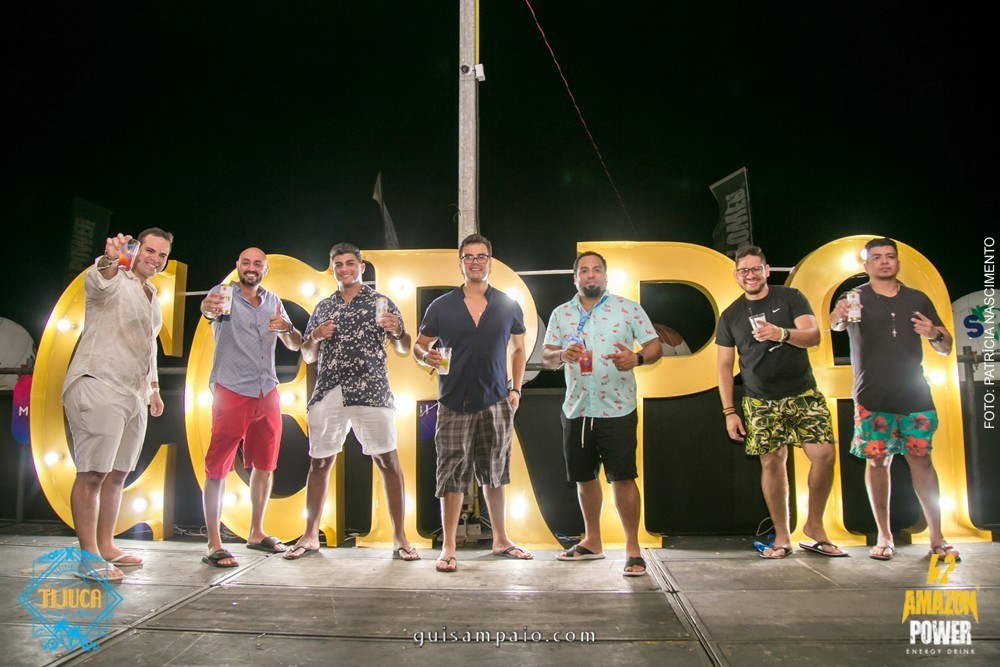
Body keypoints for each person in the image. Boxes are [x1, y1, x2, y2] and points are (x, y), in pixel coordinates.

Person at [284, 243, 418, 561]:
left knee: (388, 462)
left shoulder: (381, 302)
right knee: (320, 463)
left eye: (350, 263)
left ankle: (400, 537)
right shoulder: (323, 307)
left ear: (361, 267)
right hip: (329, 392)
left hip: (372, 391)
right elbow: (307, 354)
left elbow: (404, 347)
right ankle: (310, 535)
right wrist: (315, 336)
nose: (345, 269)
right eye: (339, 265)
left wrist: (398, 330)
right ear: (332, 269)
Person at [831, 237, 958, 562]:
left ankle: (937, 536)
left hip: (915, 397)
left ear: (898, 262)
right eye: (877, 257)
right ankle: (884, 536)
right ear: (866, 265)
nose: (884, 261)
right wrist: (839, 315)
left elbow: (945, 346)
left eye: (890, 256)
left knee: (922, 462)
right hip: (871, 397)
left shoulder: (917, 298)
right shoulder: (854, 297)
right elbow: (835, 324)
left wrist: (933, 333)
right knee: (877, 463)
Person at [715, 245, 844, 560]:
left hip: (803, 392)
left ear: (767, 270)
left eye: (755, 269)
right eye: (744, 270)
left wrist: (781, 334)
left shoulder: (790, 297)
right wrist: (729, 411)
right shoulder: (730, 315)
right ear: (736, 276)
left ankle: (814, 526)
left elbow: (813, 335)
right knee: (772, 462)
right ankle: (782, 537)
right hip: (759, 400)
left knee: (825, 455)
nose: (750, 275)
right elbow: (724, 366)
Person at [413, 233, 529, 573]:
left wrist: (516, 389)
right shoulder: (441, 306)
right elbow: (420, 345)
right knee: (451, 475)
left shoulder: (507, 304)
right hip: (453, 401)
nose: (475, 262)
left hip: (496, 399)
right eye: (469, 257)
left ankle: (501, 540)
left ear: (489, 262)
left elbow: (519, 349)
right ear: (461, 263)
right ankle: (448, 547)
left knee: (496, 473)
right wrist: (426, 356)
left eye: (481, 257)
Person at [541, 251, 662, 576]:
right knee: (584, 478)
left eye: (596, 270)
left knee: (623, 478)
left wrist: (637, 359)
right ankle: (592, 541)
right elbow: (547, 356)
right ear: (575, 278)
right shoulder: (561, 313)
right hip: (577, 408)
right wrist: (562, 354)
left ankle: (633, 550)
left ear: (605, 276)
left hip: (618, 408)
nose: (590, 275)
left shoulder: (628, 308)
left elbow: (655, 346)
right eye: (584, 270)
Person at [62, 229, 173, 581]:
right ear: (136, 250)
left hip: (133, 392)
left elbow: (149, 346)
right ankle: (88, 558)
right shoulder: (115, 277)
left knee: (117, 473)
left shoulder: (152, 294)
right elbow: (99, 279)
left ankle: (106, 545)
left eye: (162, 255)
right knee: (93, 473)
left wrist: (153, 389)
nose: (155, 259)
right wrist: (110, 259)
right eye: (150, 251)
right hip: (99, 381)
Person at [199, 248, 302, 568]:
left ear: (265, 270)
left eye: (258, 263)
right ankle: (214, 543)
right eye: (246, 262)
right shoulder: (223, 294)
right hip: (231, 389)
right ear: (237, 266)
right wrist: (206, 308)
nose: (251, 267)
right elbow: (209, 310)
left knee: (265, 464)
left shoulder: (273, 301)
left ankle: (256, 532)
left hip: (266, 390)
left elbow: (295, 344)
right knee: (217, 467)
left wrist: (287, 328)